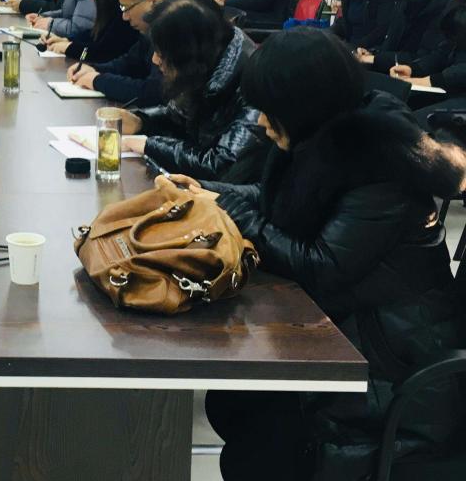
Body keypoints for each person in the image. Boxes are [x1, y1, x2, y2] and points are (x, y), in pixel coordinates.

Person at [181, 29, 466, 481]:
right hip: (347, 333)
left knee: (256, 446)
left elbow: (321, 265)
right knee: (233, 400)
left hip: (388, 369)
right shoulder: (324, 137)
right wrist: (207, 193)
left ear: (303, 104)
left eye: (270, 110)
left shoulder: (380, 165)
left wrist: (232, 209)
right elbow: (277, 202)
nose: (261, 122)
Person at [113, 0, 263, 180]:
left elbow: (221, 166)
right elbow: (179, 116)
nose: (155, 60)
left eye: (162, 53)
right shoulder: (209, 63)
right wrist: (141, 121)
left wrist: (149, 145)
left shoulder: (254, 85)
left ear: (189, 55)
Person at [68, 0, 177, 106]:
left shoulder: (180, 29)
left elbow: (154, 92)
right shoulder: (151, 30)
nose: (124, 17)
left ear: (153, 1)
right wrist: (93, 69)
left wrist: (98, 80)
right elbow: (129, 63)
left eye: (126, 8)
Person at [388, 6, 466, 127]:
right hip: (447, 90)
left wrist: (422, 81)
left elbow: (458, 73)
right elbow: (440, 55)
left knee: (407, 123)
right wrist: (412, 69)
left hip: (460, 98)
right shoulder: (456, 31)